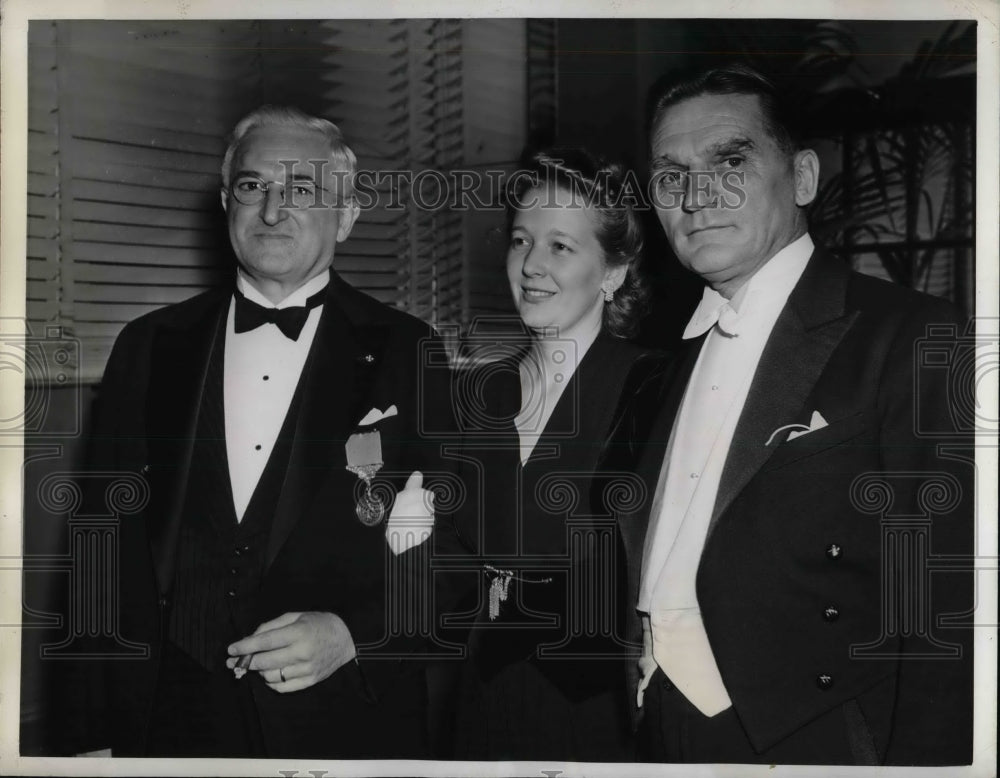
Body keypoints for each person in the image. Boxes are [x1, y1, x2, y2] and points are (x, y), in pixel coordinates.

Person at [603, 64, 974, 765]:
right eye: (670, 174)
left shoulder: (913, 335)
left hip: (824, 736)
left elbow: (947, 604)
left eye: (730, 161)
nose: (696, 195)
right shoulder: (659, 362)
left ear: (802, 178)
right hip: (661, 725)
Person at [59, 105, 455, 758]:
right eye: (252, 186)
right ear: (225, 203)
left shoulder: (410, 352)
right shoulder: (149, 345)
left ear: (347, 215)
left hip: (341, 723)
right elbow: (97, 549)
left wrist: (355, 635)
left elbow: (459, 548)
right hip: (169, 719)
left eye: (301, 189)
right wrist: (91, 734)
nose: (272, 210)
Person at [449, 148, 664, 761]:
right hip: (479, 697)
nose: (531, 265)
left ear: (613, 272)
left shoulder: (653, 389)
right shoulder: (476, 394)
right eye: (521, 240)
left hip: (600, 711)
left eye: (560, 247)